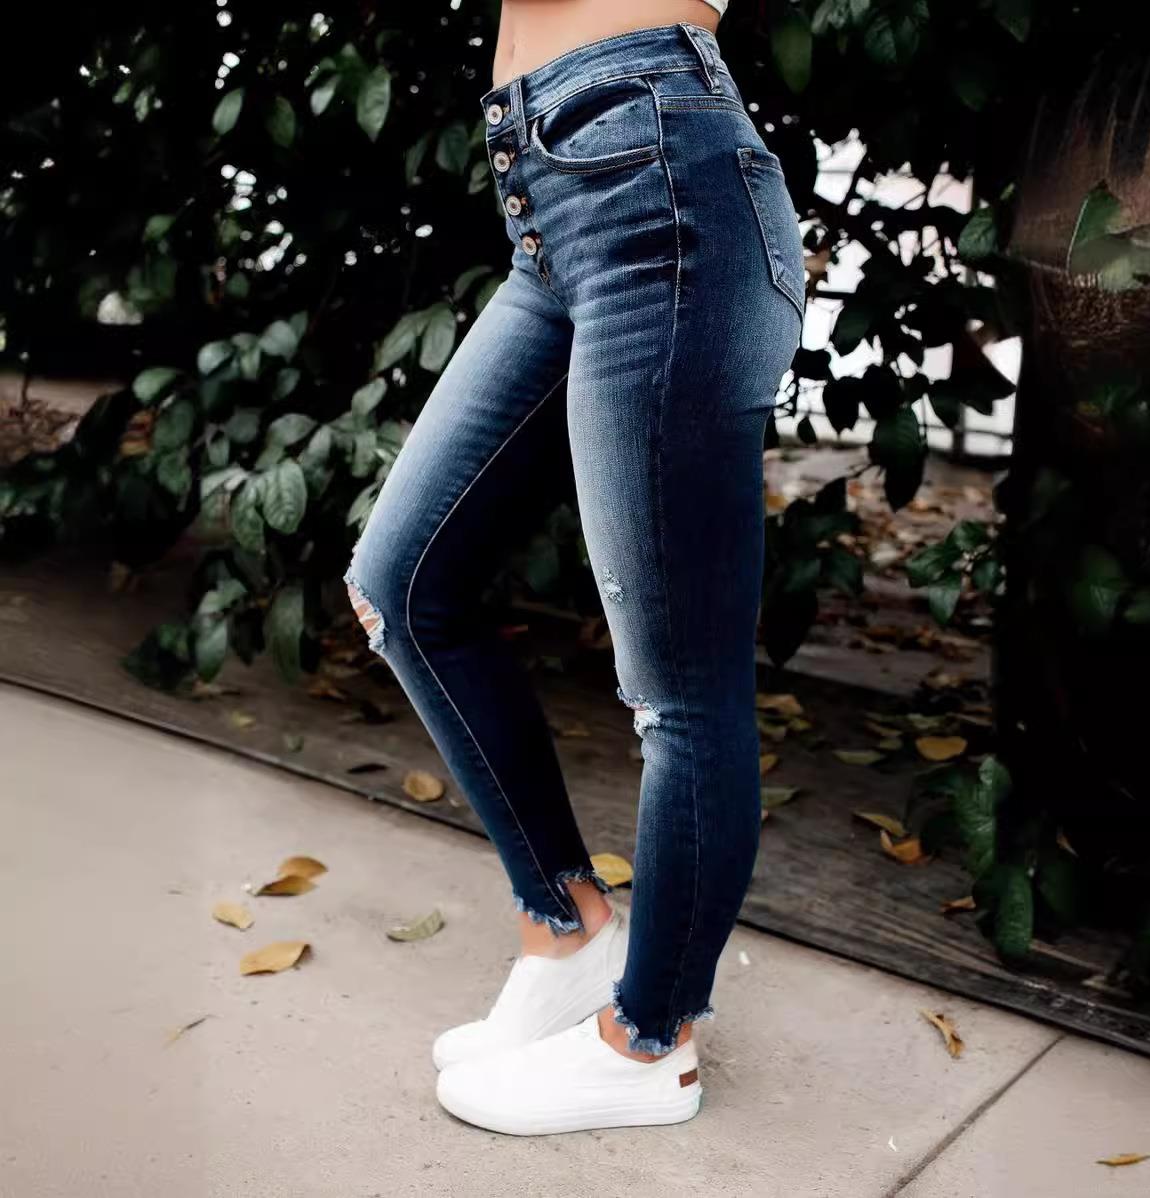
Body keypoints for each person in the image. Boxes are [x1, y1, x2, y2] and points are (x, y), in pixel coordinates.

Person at [345, 0, 804, 1135]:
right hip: (555, 202)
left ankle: (650, 1040)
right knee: (403, 583)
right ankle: (567, 930)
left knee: (680, 687)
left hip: (658, 181)